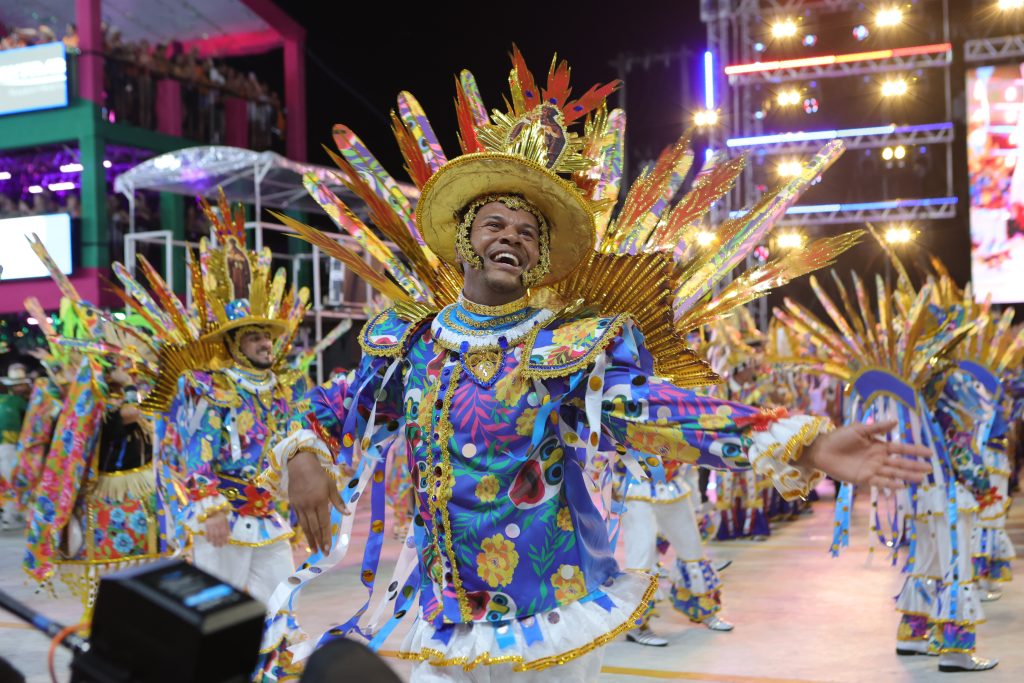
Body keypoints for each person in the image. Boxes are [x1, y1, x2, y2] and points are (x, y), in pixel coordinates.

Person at [257, 51, 932, 682]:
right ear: (464, 238)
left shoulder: (565, 346)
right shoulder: (407, 343)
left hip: (545, 613)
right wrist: (306, 459)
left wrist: (805, 440)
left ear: (539, 257)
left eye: (527, 233)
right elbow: (333, 407)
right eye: (495, 225)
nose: (511, 239)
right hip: (442, 612)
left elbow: (658, 411)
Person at [0, 364, 32, 529]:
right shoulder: (20, 402)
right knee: (13, 479)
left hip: (6, 446)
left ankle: (10, 514)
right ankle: (13, 515)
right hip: (8, 447)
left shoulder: (4, 399)